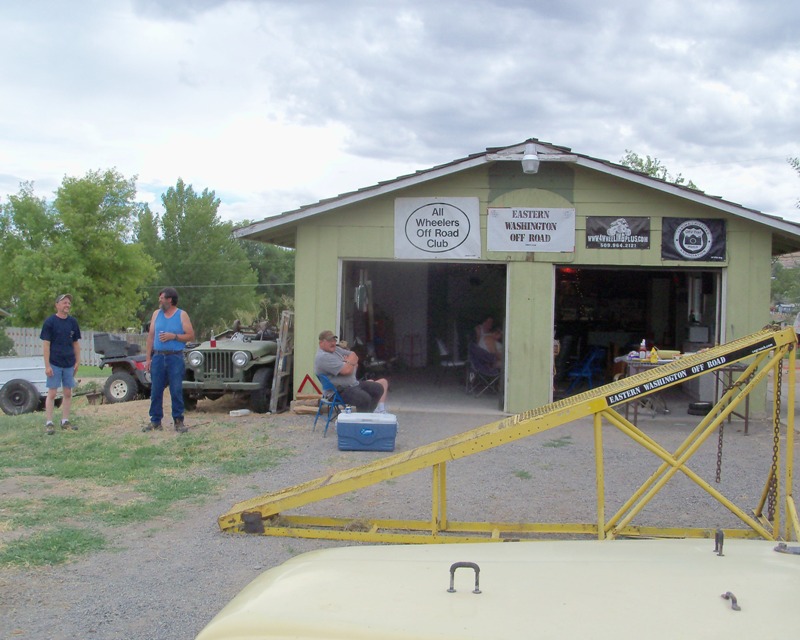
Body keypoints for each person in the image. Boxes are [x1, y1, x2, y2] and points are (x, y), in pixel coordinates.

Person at [144, 287, 195, 433]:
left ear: (170, 300)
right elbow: (151, 337)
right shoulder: (156, 314)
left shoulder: (181, 315)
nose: (159, 301)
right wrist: (148, 358)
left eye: (162, 298)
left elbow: (190, 335)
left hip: (175, 356)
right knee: (156, 389)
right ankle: (155, 421)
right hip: (158, 356)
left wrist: (174, 336)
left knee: (176, 389)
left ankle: (178, 421)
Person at [314, 330, 389, 413]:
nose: (333, 343)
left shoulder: (336, 349)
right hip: (338, 391)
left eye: (334, 340)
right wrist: (350, 363)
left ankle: (368, 415)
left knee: (378, 388)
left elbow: (354, 355)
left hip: (352, 384)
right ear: (321, 343)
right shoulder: (323, 357)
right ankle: (361, 422)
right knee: (364, 398)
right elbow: (347, 371)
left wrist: (348, 363)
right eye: (329, 341)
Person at [40, 293, 81, 435]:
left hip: (69, 363)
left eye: (69, 303)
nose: (67, 305)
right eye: (64, 303)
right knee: (52, 393)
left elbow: (75, 343)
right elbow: (46, 345)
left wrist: (77, 361)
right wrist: (47, 365)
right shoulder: (50, 322)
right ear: (57, 305)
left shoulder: (73, 322)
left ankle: (65, 420)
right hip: (54, 363)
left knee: (68, 392)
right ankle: (49, 422)